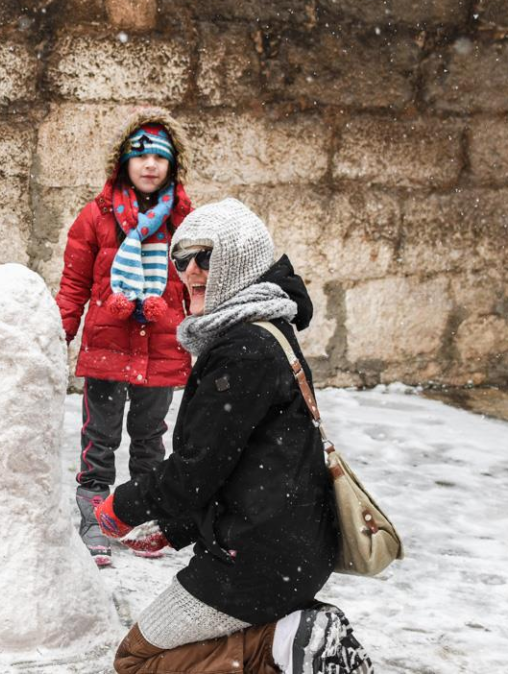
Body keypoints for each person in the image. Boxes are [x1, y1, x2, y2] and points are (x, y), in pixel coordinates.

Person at [94, 198, 373, 673]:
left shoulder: (243, 350)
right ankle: (284, 642)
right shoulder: (263, 330)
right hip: (289, 543)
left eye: (207, 257)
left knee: (136, 660)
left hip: (255, 558)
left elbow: (195, 470)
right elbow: (236, 462)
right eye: (181, 260)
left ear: (240, 261)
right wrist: (176, 528)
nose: (192, 271)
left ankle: (283, 644)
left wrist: (122, 507)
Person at [55, 107, 194, 567]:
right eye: (140, 156)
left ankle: (138, 514)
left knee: (150, 438)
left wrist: (192, 330)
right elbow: (74, 284)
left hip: (162, 348)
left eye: (160, 157)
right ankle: (93, 513)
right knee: (100, 436)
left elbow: (200, 286)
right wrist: (62, 332)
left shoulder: (186, 222)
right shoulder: (96, 217)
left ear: (173, 164)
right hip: (107, 345)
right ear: (123, 162)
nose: (150, 165)